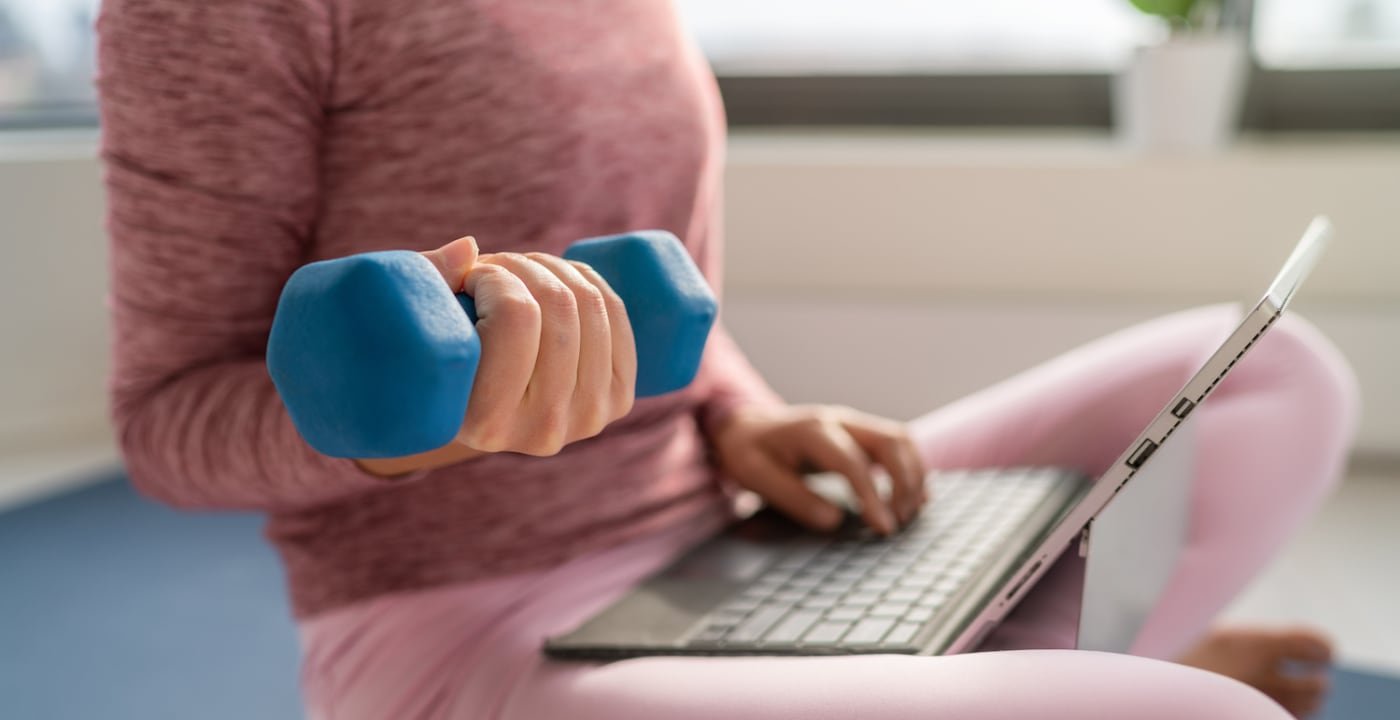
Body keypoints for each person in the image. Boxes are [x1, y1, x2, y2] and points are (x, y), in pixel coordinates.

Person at [98, 1, 1357, 718]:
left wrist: (740, 417)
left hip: (726, 536)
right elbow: (168, 426)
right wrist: (421, 425)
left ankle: (1007, 672)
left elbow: (653, 297)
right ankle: (1051, 673)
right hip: (481, 621)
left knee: (1272, 374)